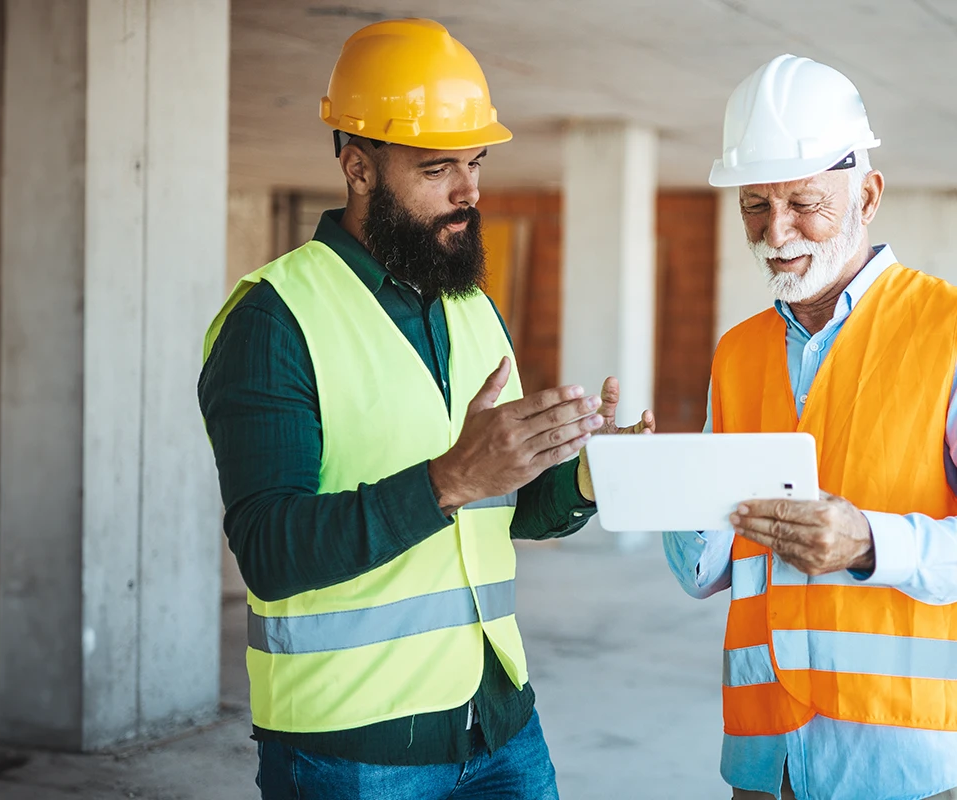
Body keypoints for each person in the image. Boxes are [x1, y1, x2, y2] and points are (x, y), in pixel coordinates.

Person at [198, 19, 652, 799]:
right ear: (358, 167)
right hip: (352, 748)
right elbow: (268, 550)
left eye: (474, 163)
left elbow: (501, 509)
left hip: (501, 723)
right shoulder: (275, 319)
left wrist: (585, 476)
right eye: (438, 167)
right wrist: (446, 479)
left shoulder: (470, 307)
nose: (469, 192)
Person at [664, 54, 957, 800]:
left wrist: (869, 541)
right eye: (755, 205)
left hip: (899, 756)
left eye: (804, 203)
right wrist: (658, 483)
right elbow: (704, 569)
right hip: (766, 757)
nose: (777, 231)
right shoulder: (738, 352)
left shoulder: (947, 333)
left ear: (868, 193)